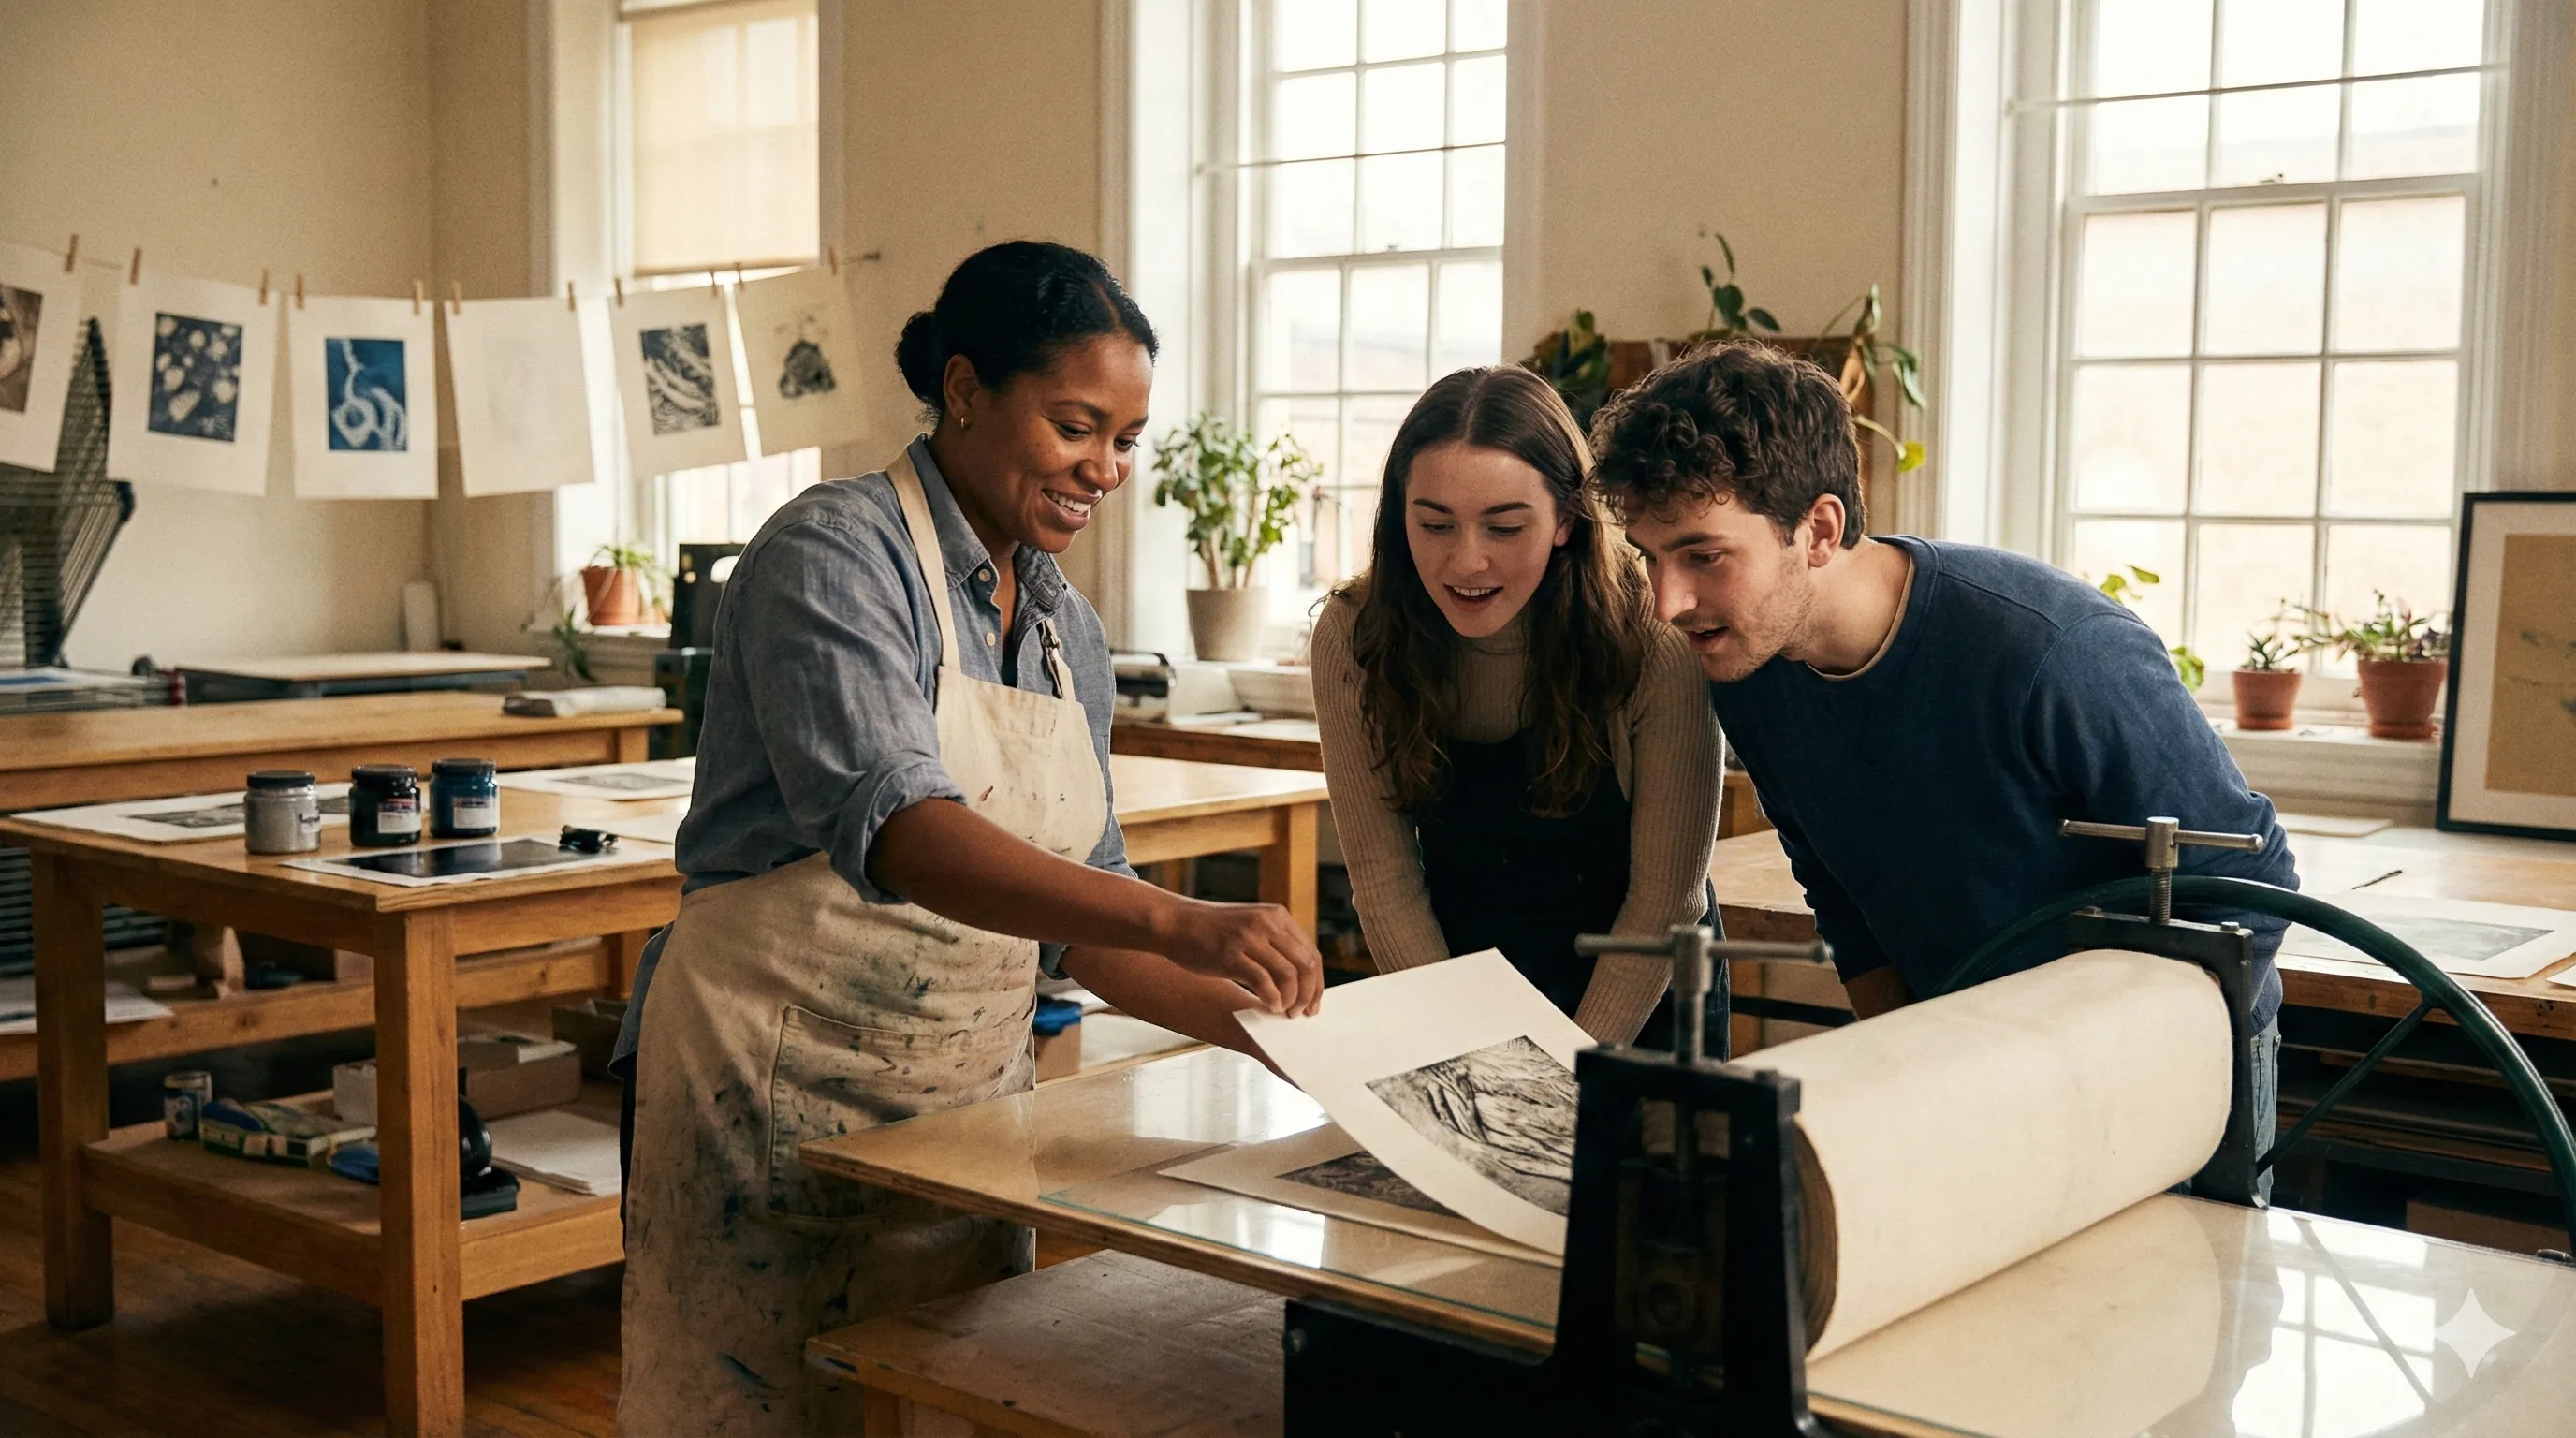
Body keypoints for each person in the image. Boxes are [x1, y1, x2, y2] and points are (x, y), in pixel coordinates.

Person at [615, 241, 1325, 1434]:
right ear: (961, 391)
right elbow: (900, 830)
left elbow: (1075, 926)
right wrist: (1182, 916)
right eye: (1075, 426)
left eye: (1126, 441)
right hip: (770, 1098)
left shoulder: (1066, 633)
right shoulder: (830, 557)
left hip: (962, 1130)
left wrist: (1278, 1034)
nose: (1103, 468)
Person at [1588, 340, 2297, 1134]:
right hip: (1975, 1065)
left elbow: (2251, 887)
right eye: (1651, 558)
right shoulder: (1749, 668)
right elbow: (1841, 895)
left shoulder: (2054, 652)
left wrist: (2082, 1081)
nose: (1667, 602)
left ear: (1819, 530)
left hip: (2162, 1068)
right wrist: (1917, 1071)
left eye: (1704, 556)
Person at [1310, 366, 1725, 1049]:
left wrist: (1563, 1080)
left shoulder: (1653, 637)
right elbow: (1386, 883)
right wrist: (1473, 1064)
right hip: (1460, 986)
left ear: (1566, 518)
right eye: (1435, 525)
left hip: (1643, 994)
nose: (1466, 562)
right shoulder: (1357, 634)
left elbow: (1663, 904)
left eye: (1504, 528)